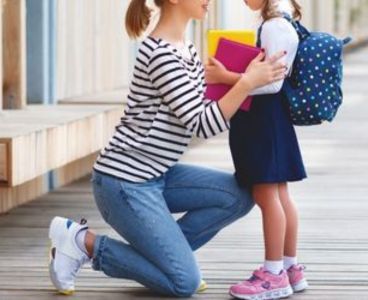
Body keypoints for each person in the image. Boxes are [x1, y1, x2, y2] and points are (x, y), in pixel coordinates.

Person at [47, 0, 287, 297]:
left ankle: (166, 260)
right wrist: (247, 83)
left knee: (239, 195)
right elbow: (201, 124)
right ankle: (83, 242)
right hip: (124, 183)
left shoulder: (184, 48)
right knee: (183, 283)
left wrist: (233, 79)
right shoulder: (160, 54)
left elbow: (203, 109)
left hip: (158, 175)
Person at [205, 0, 308, 299]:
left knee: (267, 195)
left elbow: (271, 84)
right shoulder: (280, 22)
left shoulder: (275, 26)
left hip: (263, 122)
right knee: (279, 194)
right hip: (270, 121)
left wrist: (225, 78)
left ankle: (274, 272)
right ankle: (290, 267)